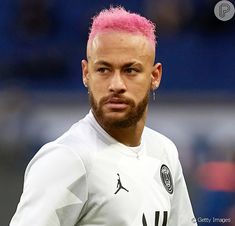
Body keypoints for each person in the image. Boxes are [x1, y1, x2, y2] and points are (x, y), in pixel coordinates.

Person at [10, 6, 197, 226]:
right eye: (103, 70)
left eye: (130, 70)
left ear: (154, 76)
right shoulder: (67, 158)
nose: (116, 85)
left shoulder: (164, 151)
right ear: (86, 74)